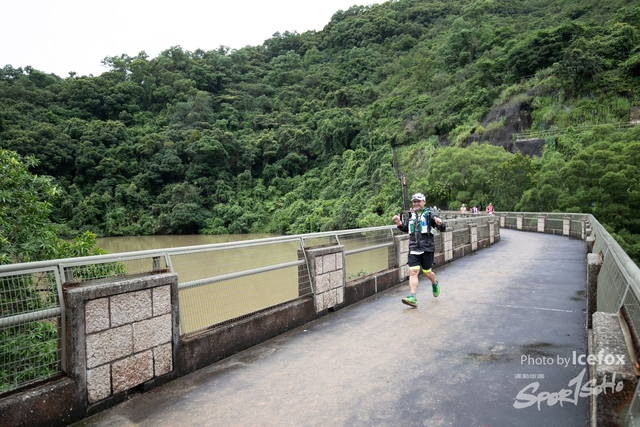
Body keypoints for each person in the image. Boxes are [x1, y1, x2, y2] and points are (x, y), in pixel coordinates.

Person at [392, 193, 446, 308]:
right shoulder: (411, 215)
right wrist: (398, 223)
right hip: (413, 247)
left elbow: (442, 228)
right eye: (414, 201)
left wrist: (440, 223)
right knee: (413, 272)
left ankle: (434, 282)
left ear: (424, 202)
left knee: (427, 272)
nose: (416, 203)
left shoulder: (430, 214)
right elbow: (406, 228)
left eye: (418, 201)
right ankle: (413, 298)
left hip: (427, 248)